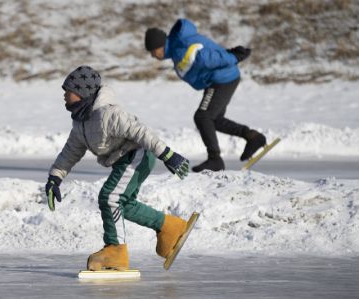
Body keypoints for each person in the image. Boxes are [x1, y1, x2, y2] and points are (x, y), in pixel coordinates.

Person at [46, 65, 191, 271]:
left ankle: (116, 251)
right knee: (123, 203)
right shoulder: (80, 123)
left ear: (81, 92)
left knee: (110, 197)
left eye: (67, 90)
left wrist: (167, 154)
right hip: (124, 159)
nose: (64, 95)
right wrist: (55, 178)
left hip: (138, 154)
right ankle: (170, 227)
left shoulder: (109, 113)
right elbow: (70, 152)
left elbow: (141, 132)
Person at [144, 19, 267, 172]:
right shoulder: (177, 48)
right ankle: (253, 137)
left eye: (152, 51)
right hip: (220, 79)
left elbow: (207, 58)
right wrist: (229, 55)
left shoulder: (179, 48)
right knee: (214, 119)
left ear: (160, 45)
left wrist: (233, 57)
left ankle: (215, 159)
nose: (152, 55)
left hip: (222, 79)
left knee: (203, 116)